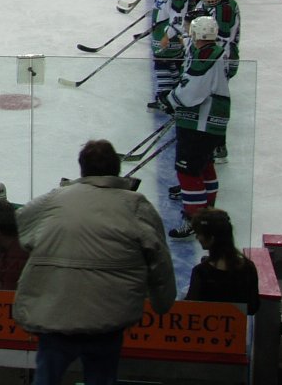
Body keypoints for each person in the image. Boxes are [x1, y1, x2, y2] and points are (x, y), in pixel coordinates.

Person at [14, 139, 175, 385]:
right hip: (108, 319)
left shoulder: (54, 199)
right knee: (101, 378)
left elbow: (22, 225)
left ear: (82, 168)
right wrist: (162, 302)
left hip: (56, 313)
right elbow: (159, 259)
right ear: (116, 169)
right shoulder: (136, 205)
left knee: (46, 378)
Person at [157, 15, 235, 238]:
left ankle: (195, 219)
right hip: (212, 121)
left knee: (188, 171)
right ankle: (208, 213)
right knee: (204, 166)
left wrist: (171, 100)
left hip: (201, 121)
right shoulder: (214, 50)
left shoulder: (207, 55)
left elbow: (193, 90)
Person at [185, 209, 260, 315]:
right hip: (237, 324)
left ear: (211, 239)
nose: (197, 237)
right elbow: (253, 307)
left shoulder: (201, 272)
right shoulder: (248, 267)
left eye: (199, 234)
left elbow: (190, 308)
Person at [147, 0, 187, 101]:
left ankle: (164, 97)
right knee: (171, 65)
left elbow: (178, 17)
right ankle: (174, 94)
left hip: (168, 34)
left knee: (162, 63)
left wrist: (167, 35)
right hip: (160, 31)